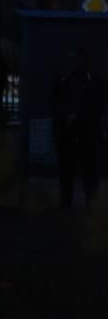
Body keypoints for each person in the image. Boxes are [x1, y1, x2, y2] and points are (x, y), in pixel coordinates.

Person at [52, 45, 105, 209]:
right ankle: (69, 201)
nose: (71, 62)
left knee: (86, 168)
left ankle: (88, 201)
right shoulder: (66, 79)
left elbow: (96, 104)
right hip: (70, 131)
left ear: (82, 60)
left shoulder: (90, 79)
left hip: (84, 131)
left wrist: (77, 116)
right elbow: (55, 101)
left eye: (74, 59)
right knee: (70, 168)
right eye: (70, 59)